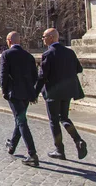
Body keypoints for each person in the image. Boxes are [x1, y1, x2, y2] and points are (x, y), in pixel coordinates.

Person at [35, 28, 87, 160]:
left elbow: (42, 76)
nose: (43, 39)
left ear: (51, 38)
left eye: (44, 36)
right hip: (68, 91)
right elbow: (79, 69)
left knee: (54, 121)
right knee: (64, 118)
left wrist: (34, 93)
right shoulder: (69, 52)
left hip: (53, 93)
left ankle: (59, 150)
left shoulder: (48, 54)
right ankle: (78, 140)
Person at [0, 32, 39, 167]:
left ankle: (32, 153)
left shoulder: (6, 54)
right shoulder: (29, 56)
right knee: (19, 119)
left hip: (14, 94)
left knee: (22, 122)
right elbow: (35, 76)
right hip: (26, 94)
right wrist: (31, 91)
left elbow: (4, 75)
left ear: (9, 41)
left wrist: (4, 91)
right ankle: (12, 146)